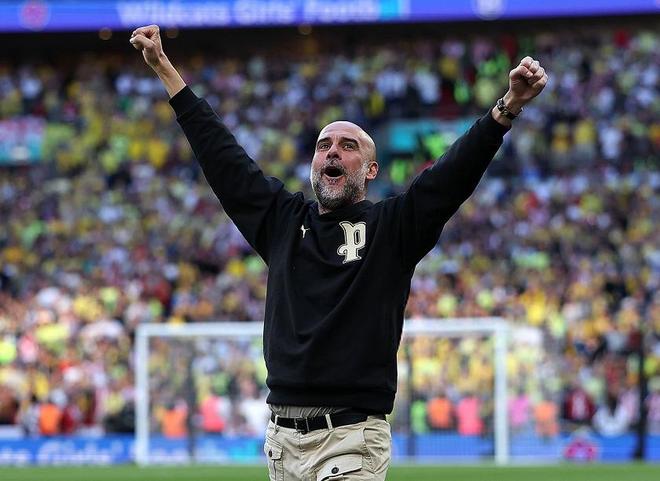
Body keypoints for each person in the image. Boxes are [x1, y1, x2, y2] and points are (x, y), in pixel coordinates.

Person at [130, 24, 548, 480]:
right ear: (313, 164)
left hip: (351, 439)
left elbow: (451, 176)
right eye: (323, 145)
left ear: (370, 170)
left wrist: (507, 107)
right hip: (282, 443)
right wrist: (166, 70)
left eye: (348, 146)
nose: (332, 152)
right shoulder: (283, 222)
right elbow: (224, 159)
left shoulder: (393, 228)